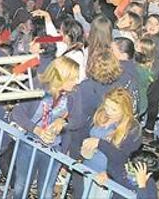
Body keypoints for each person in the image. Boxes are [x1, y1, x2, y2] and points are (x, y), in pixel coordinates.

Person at [9, 56, 79, 199]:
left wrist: (63, 121)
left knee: (47, 191)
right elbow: (17, 113)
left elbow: (77, 120)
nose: (76, 82)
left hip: (55, 149)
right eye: (72, 78)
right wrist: (38, 130)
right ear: (62, 76)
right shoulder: (38, 86)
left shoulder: (72, 96)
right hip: (29, 144)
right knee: (21, 188)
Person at [80, 88, 142, 198]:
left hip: (108, 176)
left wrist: (100, 143)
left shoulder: (132, 129)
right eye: (106, 106)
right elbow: (86, 132)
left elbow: (123, 158)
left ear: (125, 109)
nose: (108, 111)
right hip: (89, 167)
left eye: (113, 109)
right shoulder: (100, 114)